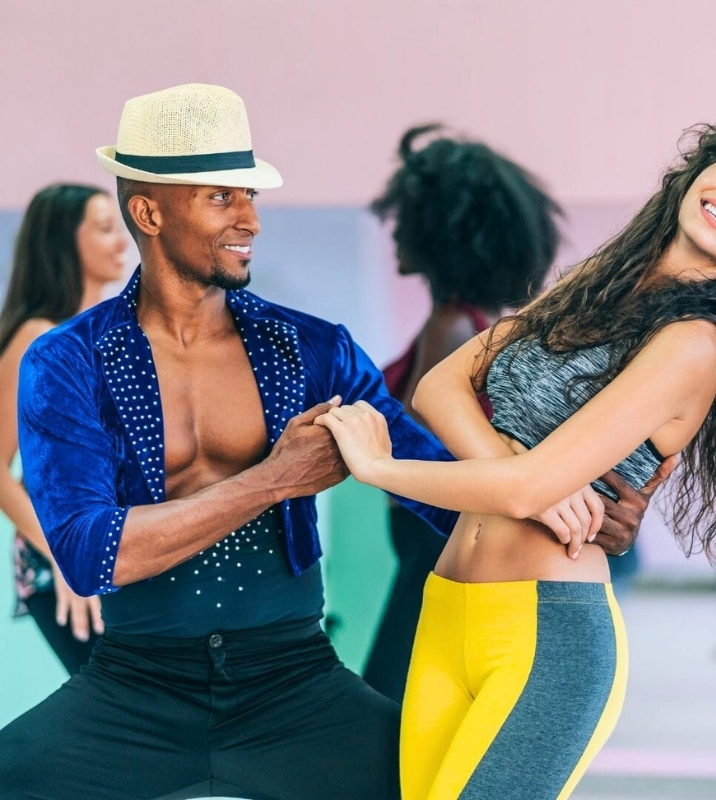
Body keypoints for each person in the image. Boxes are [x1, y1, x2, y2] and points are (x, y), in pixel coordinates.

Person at [0, 84, 651, 800]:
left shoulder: (311, 349)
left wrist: (565, 511)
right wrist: (273, 480)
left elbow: (439, 489)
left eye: (249, 194)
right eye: (222, 197)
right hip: (132, 689)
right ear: (149, 211)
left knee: (426, 786)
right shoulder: (67, 360)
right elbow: (92, 554)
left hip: (294, 687)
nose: (249, 217)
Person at [315, 119, 716, 799]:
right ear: (698, 172)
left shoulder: (694, 344)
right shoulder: (599, 278)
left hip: (545, 636)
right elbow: (441, 387)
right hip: (447, 606)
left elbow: (519, 487)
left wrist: (377, 467)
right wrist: (528, 478)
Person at [363, 124, 659, 701]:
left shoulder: (454, 326)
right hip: (439, 551)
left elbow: (433, 464)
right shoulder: (475, 327)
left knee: (390, 727)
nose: (394, 232)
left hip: (437, 553)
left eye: (406, 219)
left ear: (440, 232)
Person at [0, 183, 128, 674]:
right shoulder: (37, 336)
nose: (121, 241)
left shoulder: (105, 335)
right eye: (104, 229)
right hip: (66, 565)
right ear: (62, 243)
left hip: (112, 555)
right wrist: (62, 554)